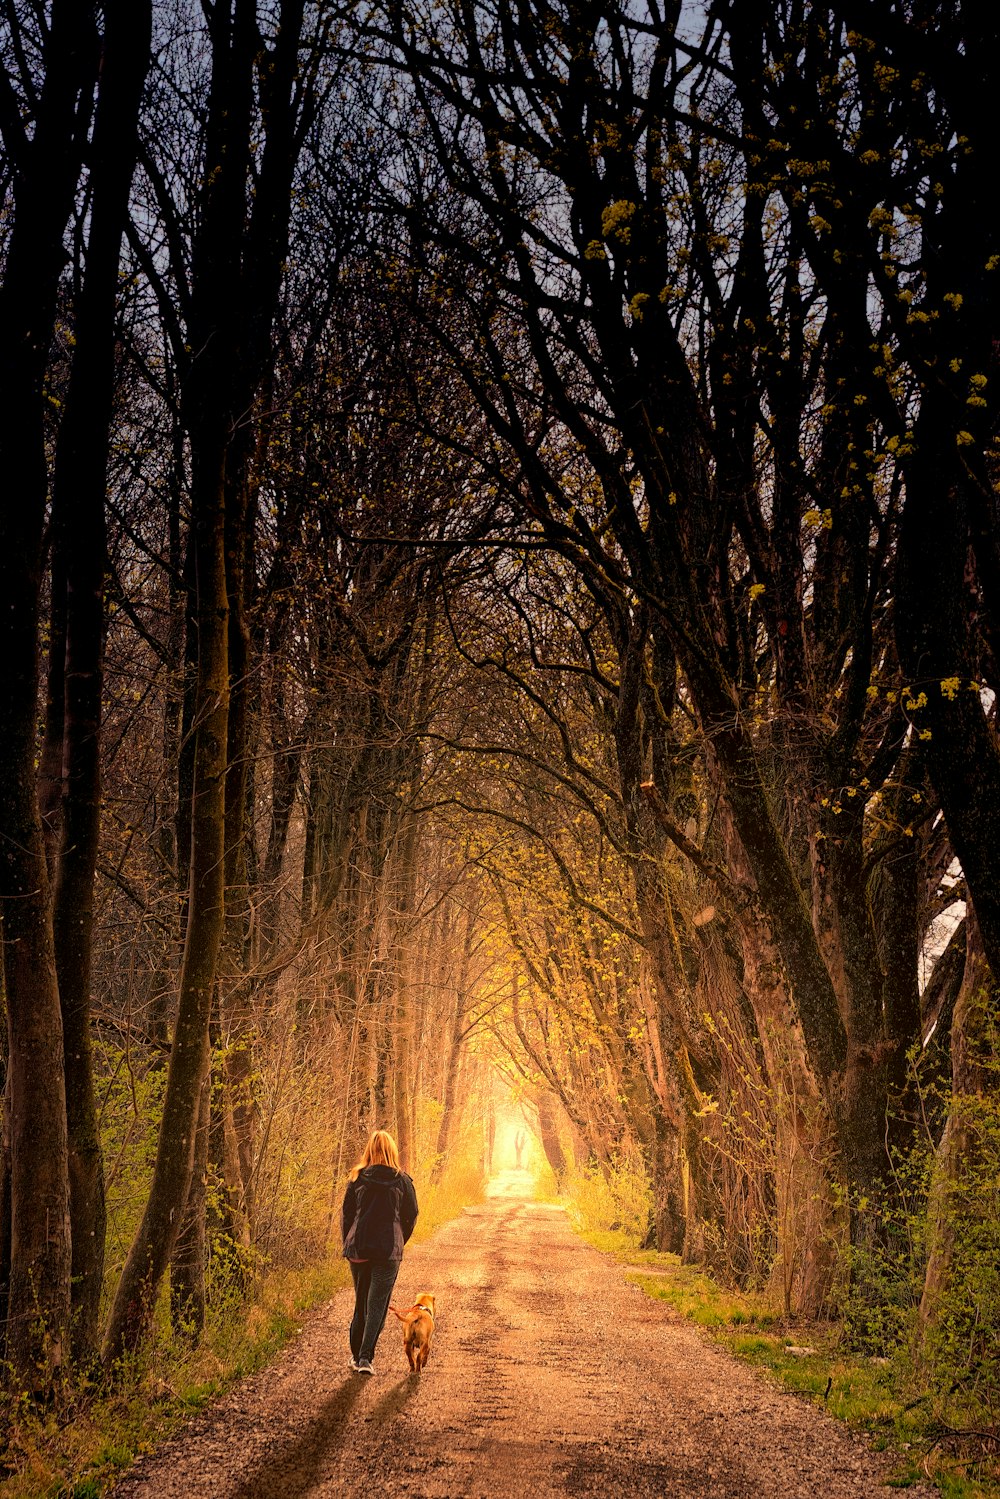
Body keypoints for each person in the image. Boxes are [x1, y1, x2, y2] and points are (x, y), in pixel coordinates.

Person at [341, 1128, 418, 1374]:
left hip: (359, 1248)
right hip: (387, 1252)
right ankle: (365, 1359)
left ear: (369, 1151)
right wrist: (399, 1240)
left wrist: (349, 1242)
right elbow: (411, 1215)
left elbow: (347, 1216)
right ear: (392, 1151)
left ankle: (356, 1356)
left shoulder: (357, 1178)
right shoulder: (403, 1181)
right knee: (377, 1306)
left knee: (361, 1304)